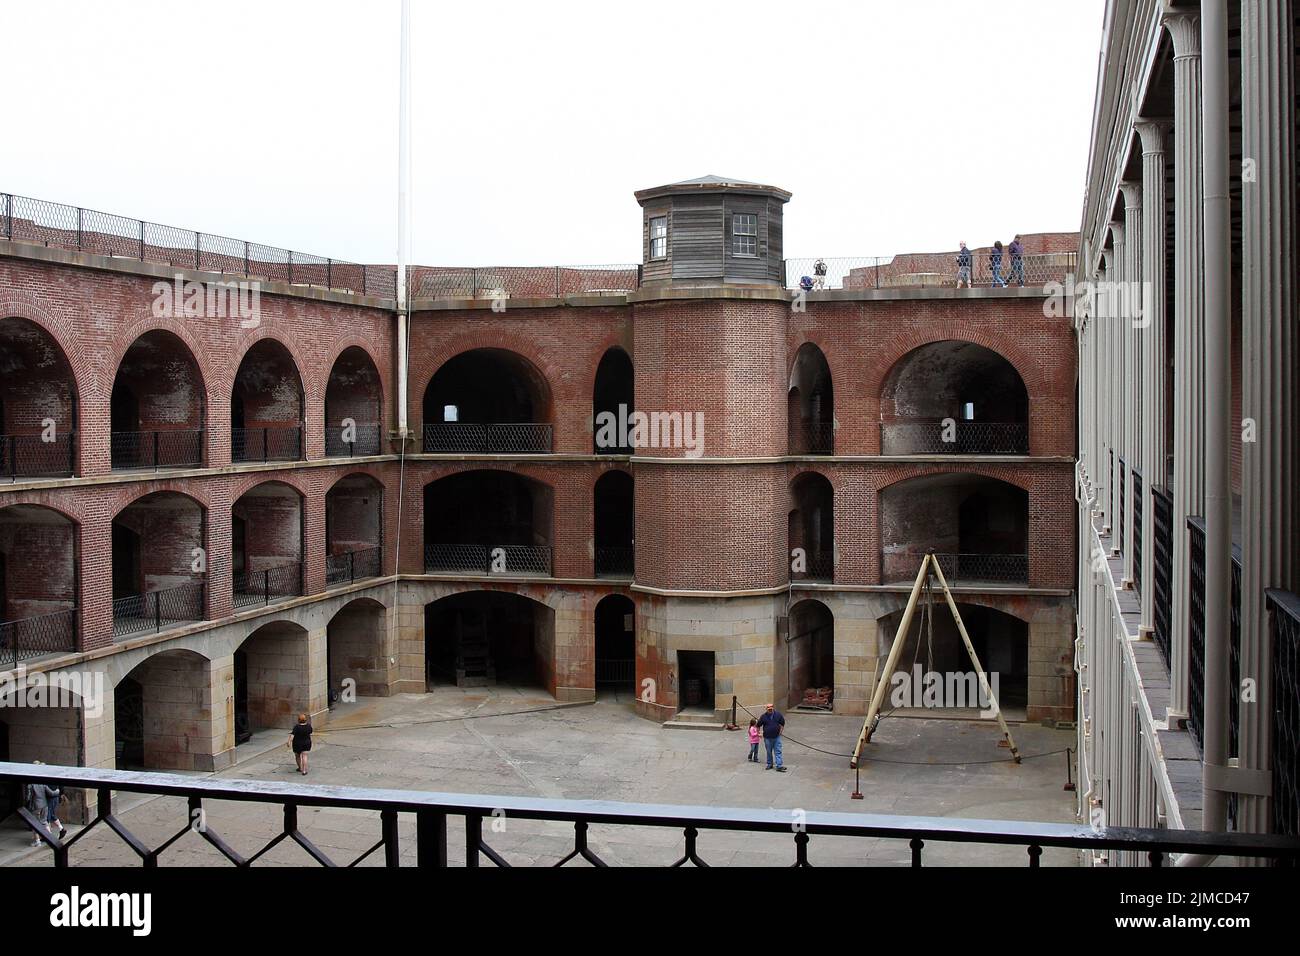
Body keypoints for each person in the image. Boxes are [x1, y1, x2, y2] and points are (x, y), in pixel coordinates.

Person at [756, 703, 788, 772]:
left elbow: (782, 723)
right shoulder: (763, 716)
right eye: (768, 707)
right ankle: (770, 764)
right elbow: (758, 725)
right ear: (766, 709)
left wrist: (780, 732)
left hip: (776, 737)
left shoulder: (778, 715)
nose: (770, 709)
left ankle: (779, 766)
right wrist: (758, 733)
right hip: (767, 738)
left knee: (778, 751)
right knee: (769, 751)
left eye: (771, 707)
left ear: (773, 708)